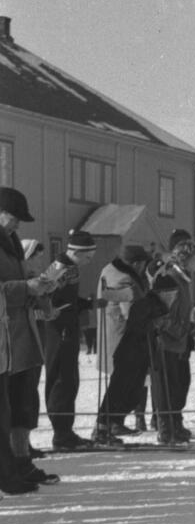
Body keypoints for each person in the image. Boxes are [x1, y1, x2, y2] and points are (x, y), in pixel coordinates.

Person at [0, 188, 57, 492]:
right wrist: (28, 287)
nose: (17, 225)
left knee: (22, 404)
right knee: (5, 407)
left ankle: (20, 462)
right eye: (14, 218)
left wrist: (41, 289)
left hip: (22, 336)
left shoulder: (11, 245)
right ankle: (8, 469)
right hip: (5, 338)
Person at [97, 276, 187, 445]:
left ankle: (112, 424)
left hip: (145, 354)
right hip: (130, 353)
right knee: (120, 390)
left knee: (133, 395)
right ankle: (103, 426)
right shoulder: (145, 303)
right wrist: (155, 324)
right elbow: (137, 326)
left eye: (174, 294)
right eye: (170, 293)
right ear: (161, 293)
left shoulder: (161, 305)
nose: (172, 297)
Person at [44, 229, 98, 450]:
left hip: (69, 327)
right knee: (61, 381)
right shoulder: (60, 268)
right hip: (59, 331)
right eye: (88, 256)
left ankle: (66, 430)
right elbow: (44, 294)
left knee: (70, 380)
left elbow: (68, 298)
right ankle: (60, 433)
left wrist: (86, 303)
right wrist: (53, 311)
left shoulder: (71, 268)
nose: (90, 260)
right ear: (77, 252)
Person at [149, 228, 195, 443]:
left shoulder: (184, 279)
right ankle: (165, 427)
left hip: (179, 341)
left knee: (180, 383)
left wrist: (191, 318)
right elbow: (160, 314)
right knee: (166, 386)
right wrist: (182, 327)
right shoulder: (168, 278)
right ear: (185, 258)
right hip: (166, 342)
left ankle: (176, 422)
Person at [95, 243, 151, 438]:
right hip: (123, 338)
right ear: (136, 264)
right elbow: (131, 310)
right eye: (144, 264)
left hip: (123, 336)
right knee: (121, 383)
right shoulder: (123, 278)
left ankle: (114, 422)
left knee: (125, 383)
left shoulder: (113, 271)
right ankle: (104, 425)